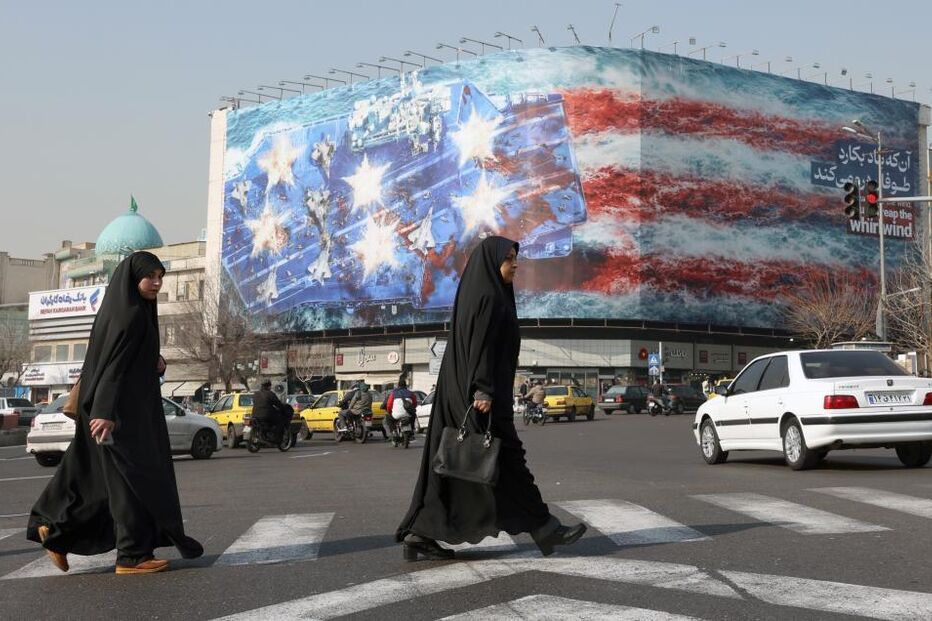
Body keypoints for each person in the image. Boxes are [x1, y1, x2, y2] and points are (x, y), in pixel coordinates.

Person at [396, 236, 587, 561]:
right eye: (509, 258)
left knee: (449, 467)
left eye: (515, 257)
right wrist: (483, 389)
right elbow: (481, 345)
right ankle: (545, 528)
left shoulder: (478, 292)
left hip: (463, 395)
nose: (515, 264)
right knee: (509, 460)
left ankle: (421, 532)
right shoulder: (488, 297)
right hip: (481, 398)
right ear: (492, 262)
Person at [26, 251, 203, 575]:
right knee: (132, 485)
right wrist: (106, 412)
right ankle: (132, 556)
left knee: (96, 482)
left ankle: (54, 532)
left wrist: (156, 361)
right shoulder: (133, 316)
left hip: (117, 412)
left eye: (161, 276)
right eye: (151, 276)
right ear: (134, 278)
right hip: (122, 417)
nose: (158, 283)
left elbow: (122, 359)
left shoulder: (121, 311)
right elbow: (114, 367)